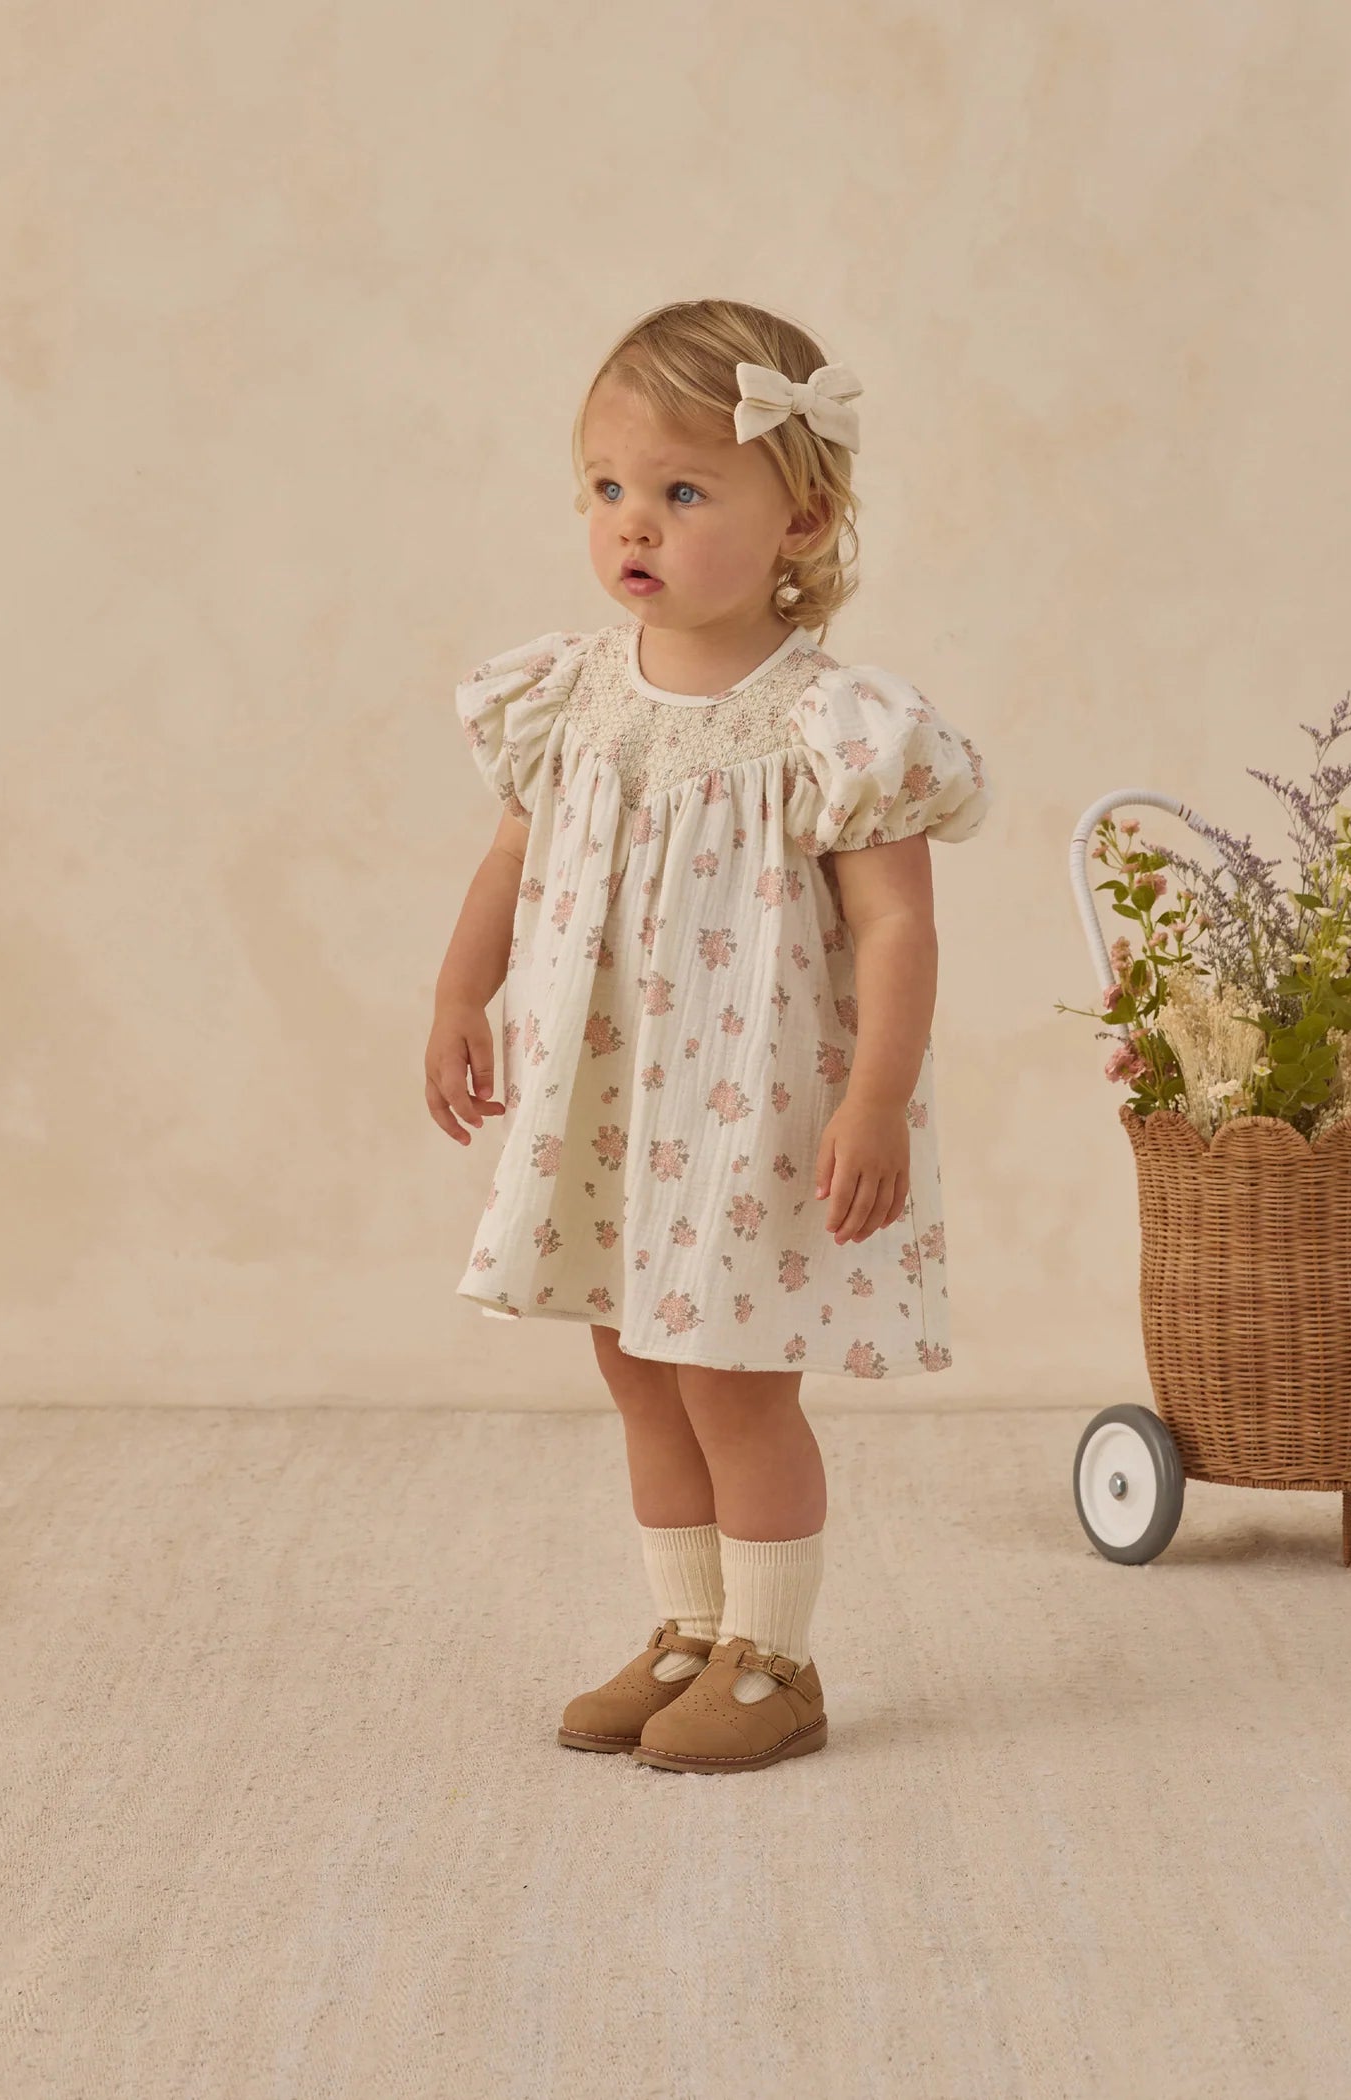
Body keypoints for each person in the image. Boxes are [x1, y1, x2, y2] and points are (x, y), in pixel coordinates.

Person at [426, 299, 992, 1774]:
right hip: (612, 1102)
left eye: (684, 491)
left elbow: (897, 928)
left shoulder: (831, 724)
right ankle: (688, 1629)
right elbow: (509, 861)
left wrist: (875, 1102)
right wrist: (459, 996)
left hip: (748, 1107)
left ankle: (776, 1659)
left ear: (800, 519)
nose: (635, 523)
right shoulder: (568, 698)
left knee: (732, 1378)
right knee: (632, 1361)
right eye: (610, 487)